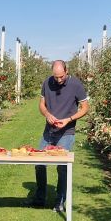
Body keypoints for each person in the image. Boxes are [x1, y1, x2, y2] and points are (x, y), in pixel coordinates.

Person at [30, 60, 89, 212]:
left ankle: (60, 201)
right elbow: (41, 104)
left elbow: (85, 108)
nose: (58, 80)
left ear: (66, 71)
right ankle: (40, 198)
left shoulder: (76, 85)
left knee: (62, 166)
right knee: (39, 163)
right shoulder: (47, 83)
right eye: (56, 77)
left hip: (66, 132)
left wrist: (69, 119)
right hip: (49, 131)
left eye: (61, 76)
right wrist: (47, 114)